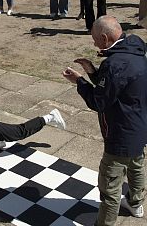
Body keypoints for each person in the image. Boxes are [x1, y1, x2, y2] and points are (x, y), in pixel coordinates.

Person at [63, 16, 147, 225]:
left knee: (109, 186)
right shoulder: (135, 49)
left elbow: (98, 101)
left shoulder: (115, 63)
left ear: (104, 37)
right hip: (139, 125)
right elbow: (114, 86)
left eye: (95, 39)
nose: (94, 44)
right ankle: (136, 204)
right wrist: (92, 70)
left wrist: (79, 81)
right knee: (137, 167)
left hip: (120, 133)